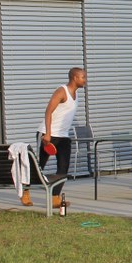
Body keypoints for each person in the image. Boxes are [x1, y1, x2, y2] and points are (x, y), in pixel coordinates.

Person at [25, 67, 86, 209]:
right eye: (83, 77)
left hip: (63, 136)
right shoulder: (61, 91)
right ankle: (25, 191)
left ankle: (55, 198)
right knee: (39, 166)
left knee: (63, 167)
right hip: (48, 134)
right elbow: (48, 111)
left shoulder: (76, 94)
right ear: (75, 78)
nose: (85, 80)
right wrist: (47, 133)